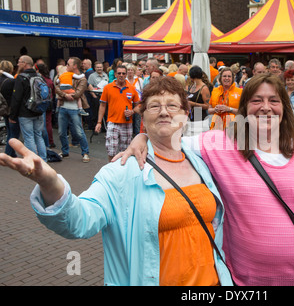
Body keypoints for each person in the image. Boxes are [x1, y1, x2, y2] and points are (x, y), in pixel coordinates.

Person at [116, 73, 294, 286]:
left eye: (273, 100)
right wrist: (143, 139)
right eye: (257, 100)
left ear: (284, 107)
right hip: (245, 281)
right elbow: (169, 140)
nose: (266, 107)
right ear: (244, 108)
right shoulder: (221, 144)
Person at [0, 76, 233, 286]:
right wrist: (50, 184)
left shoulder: (200, 160)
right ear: (142, 114)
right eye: (154, 106)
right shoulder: (120, 172)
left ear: (185, 113)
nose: (164, 112)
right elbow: (79, 221)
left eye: (172, 105)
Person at [95, 65, 140, 162]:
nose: (121, 75)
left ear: (126, 74)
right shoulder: (108, 87)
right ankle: (111, 169)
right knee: (111, 150)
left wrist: (132, 111)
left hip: (127, 124)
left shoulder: (131, 88)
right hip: (112, 122)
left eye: (124, 73)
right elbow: (102, 105)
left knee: (125, 151)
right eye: (119, 73)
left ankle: (122, 171)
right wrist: (99, 122)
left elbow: (138, 106)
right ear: (115, 74)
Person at [9, 55, 47, 162]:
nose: (18, 64)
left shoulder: (21, 77)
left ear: (25, 63)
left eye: (19, 62)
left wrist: (12, 116)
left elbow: (16, 98)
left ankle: (33, 161)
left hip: (25, 113)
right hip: (39, 111)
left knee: (29, 137)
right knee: (38, 136)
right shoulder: (39, 76)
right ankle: (43, 160)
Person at [54, 57, 90, 163]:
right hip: (63, 107)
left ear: (74, 66)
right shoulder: (64, 75)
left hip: (75, 109)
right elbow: (56, 87)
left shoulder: (82, 79)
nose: (66, 66)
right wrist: (66, 94)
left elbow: (78, 93)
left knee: (79, 132)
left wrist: (63, 94)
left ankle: (85, 153)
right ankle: (65, 152)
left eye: (68, 64)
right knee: (61, 132)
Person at [0, 60, 19, 157]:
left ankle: (11, 153)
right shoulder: (11, 81)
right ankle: (8, 154)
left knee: (9, 131)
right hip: (11, 110)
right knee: (13, 133)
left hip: (2, 109)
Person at [35, 63, 56, 148]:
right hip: (49, 103)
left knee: (42, 125)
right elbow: (53, 92)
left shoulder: (39, 80)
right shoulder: (49, 80)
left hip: (41, 104)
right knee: (48, 123)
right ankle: (50, 141)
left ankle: (46, 142)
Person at [126, 64, 144, 137]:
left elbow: (142, 90)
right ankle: (128, 134)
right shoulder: (124, 80)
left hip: (137, 102)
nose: (130, 71)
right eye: (128, 70)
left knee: (137, 119)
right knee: (128, 118)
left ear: (134, 71)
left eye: (132, 70)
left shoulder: (139, 80)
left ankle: (137, 135)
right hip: (127, 102)